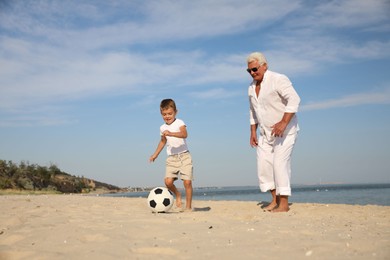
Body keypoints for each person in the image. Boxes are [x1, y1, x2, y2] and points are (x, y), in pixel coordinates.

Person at [246, 52, 300, 212]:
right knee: (264, 165)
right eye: (249, 71)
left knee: (279, 164)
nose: (252, 73)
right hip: (265, 133)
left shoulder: (278, 79)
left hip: (286, 131)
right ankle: (274, 199)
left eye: (255, 69)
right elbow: (252, 111)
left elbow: (295, 99)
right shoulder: (251, 87)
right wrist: (253, 132)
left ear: (264, 66)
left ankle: (283, 204)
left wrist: (284, 122)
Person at [149, 98, 194, 211]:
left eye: (170, 113)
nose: (167, 116)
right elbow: (163, 141)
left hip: (184, 156)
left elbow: (184, 134)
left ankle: (188, 207)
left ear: (175, 112)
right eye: (164, 114)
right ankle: (178, 194)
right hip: (172, 158)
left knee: (187, 182)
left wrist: (171, 133)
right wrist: (155, 154)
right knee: (168, 182)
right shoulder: (162, 128)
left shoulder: (180, 122)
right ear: (161, 114)